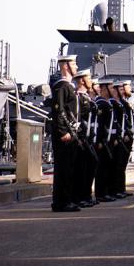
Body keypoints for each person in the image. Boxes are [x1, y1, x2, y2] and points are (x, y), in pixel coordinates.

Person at [49, 55, 81, 212]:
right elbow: (58, 110)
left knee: (69, 168)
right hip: (64, 135)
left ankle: (67, 200)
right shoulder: (61, 86)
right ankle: (60, 202)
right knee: (63, 169)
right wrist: (63, 132)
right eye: (74, 63)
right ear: (66, 66)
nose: (76, 66)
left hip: (71, 133)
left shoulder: (69, 86)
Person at [73, 69, 98, 208]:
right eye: (88, 78)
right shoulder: (77, 97)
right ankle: (80, 196)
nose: (91, 81)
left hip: (88, 138)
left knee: (90, 165)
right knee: (81, 169)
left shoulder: (87, 99)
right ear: (82, 80)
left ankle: (86, 195)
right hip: (81, 138)